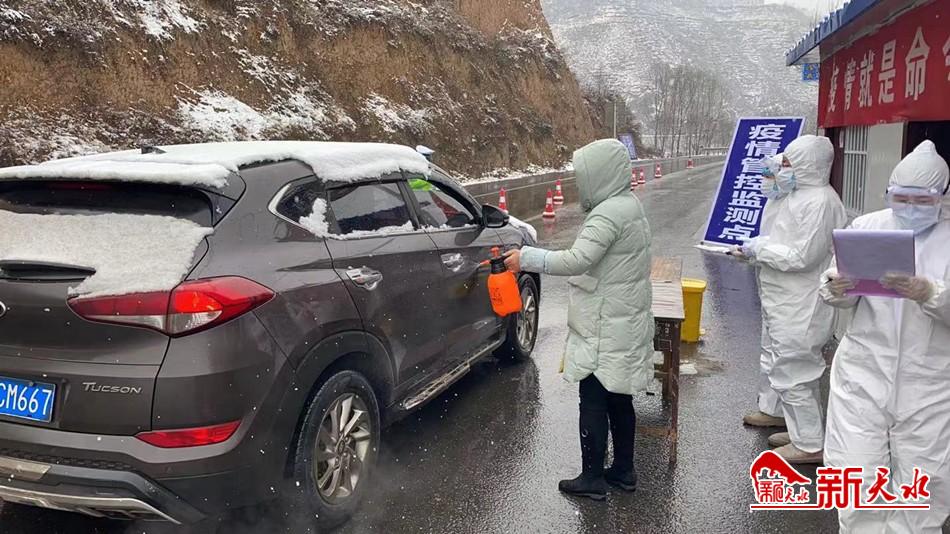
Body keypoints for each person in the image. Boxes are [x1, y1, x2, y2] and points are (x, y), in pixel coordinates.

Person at [503, 139, 653, 501]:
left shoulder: (607, 214)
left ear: (599, 174)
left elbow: (576, 260)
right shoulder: (628, 204)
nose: (579, 184)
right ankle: (624, 471)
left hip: (604, 323)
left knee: (594, 396)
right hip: (623, 317)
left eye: (583, 176)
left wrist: (527, 258)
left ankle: (592, 478)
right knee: (619, 396)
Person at [821, 140, 950, 533]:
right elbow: (837, 291)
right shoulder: (868, 227)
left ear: (943, 196)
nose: (910, 207)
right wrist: (837, 287)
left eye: (922, 200)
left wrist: (932, 294)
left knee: (924, 484)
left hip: (931, 381)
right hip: (864, 372)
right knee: (855, 475)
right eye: (901, 198)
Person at [732, 135, 847, 463]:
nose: (783, 169)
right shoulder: (797, 196)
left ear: (809, 165)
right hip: (783, 296)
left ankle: (809, 443)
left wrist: (759, 249)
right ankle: (788, 421)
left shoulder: (820, 202)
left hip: (802, 300)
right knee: (778, 358)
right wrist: (754, 252)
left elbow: (802, 256)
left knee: (796, 367)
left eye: (788, 164)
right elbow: (780, 240)